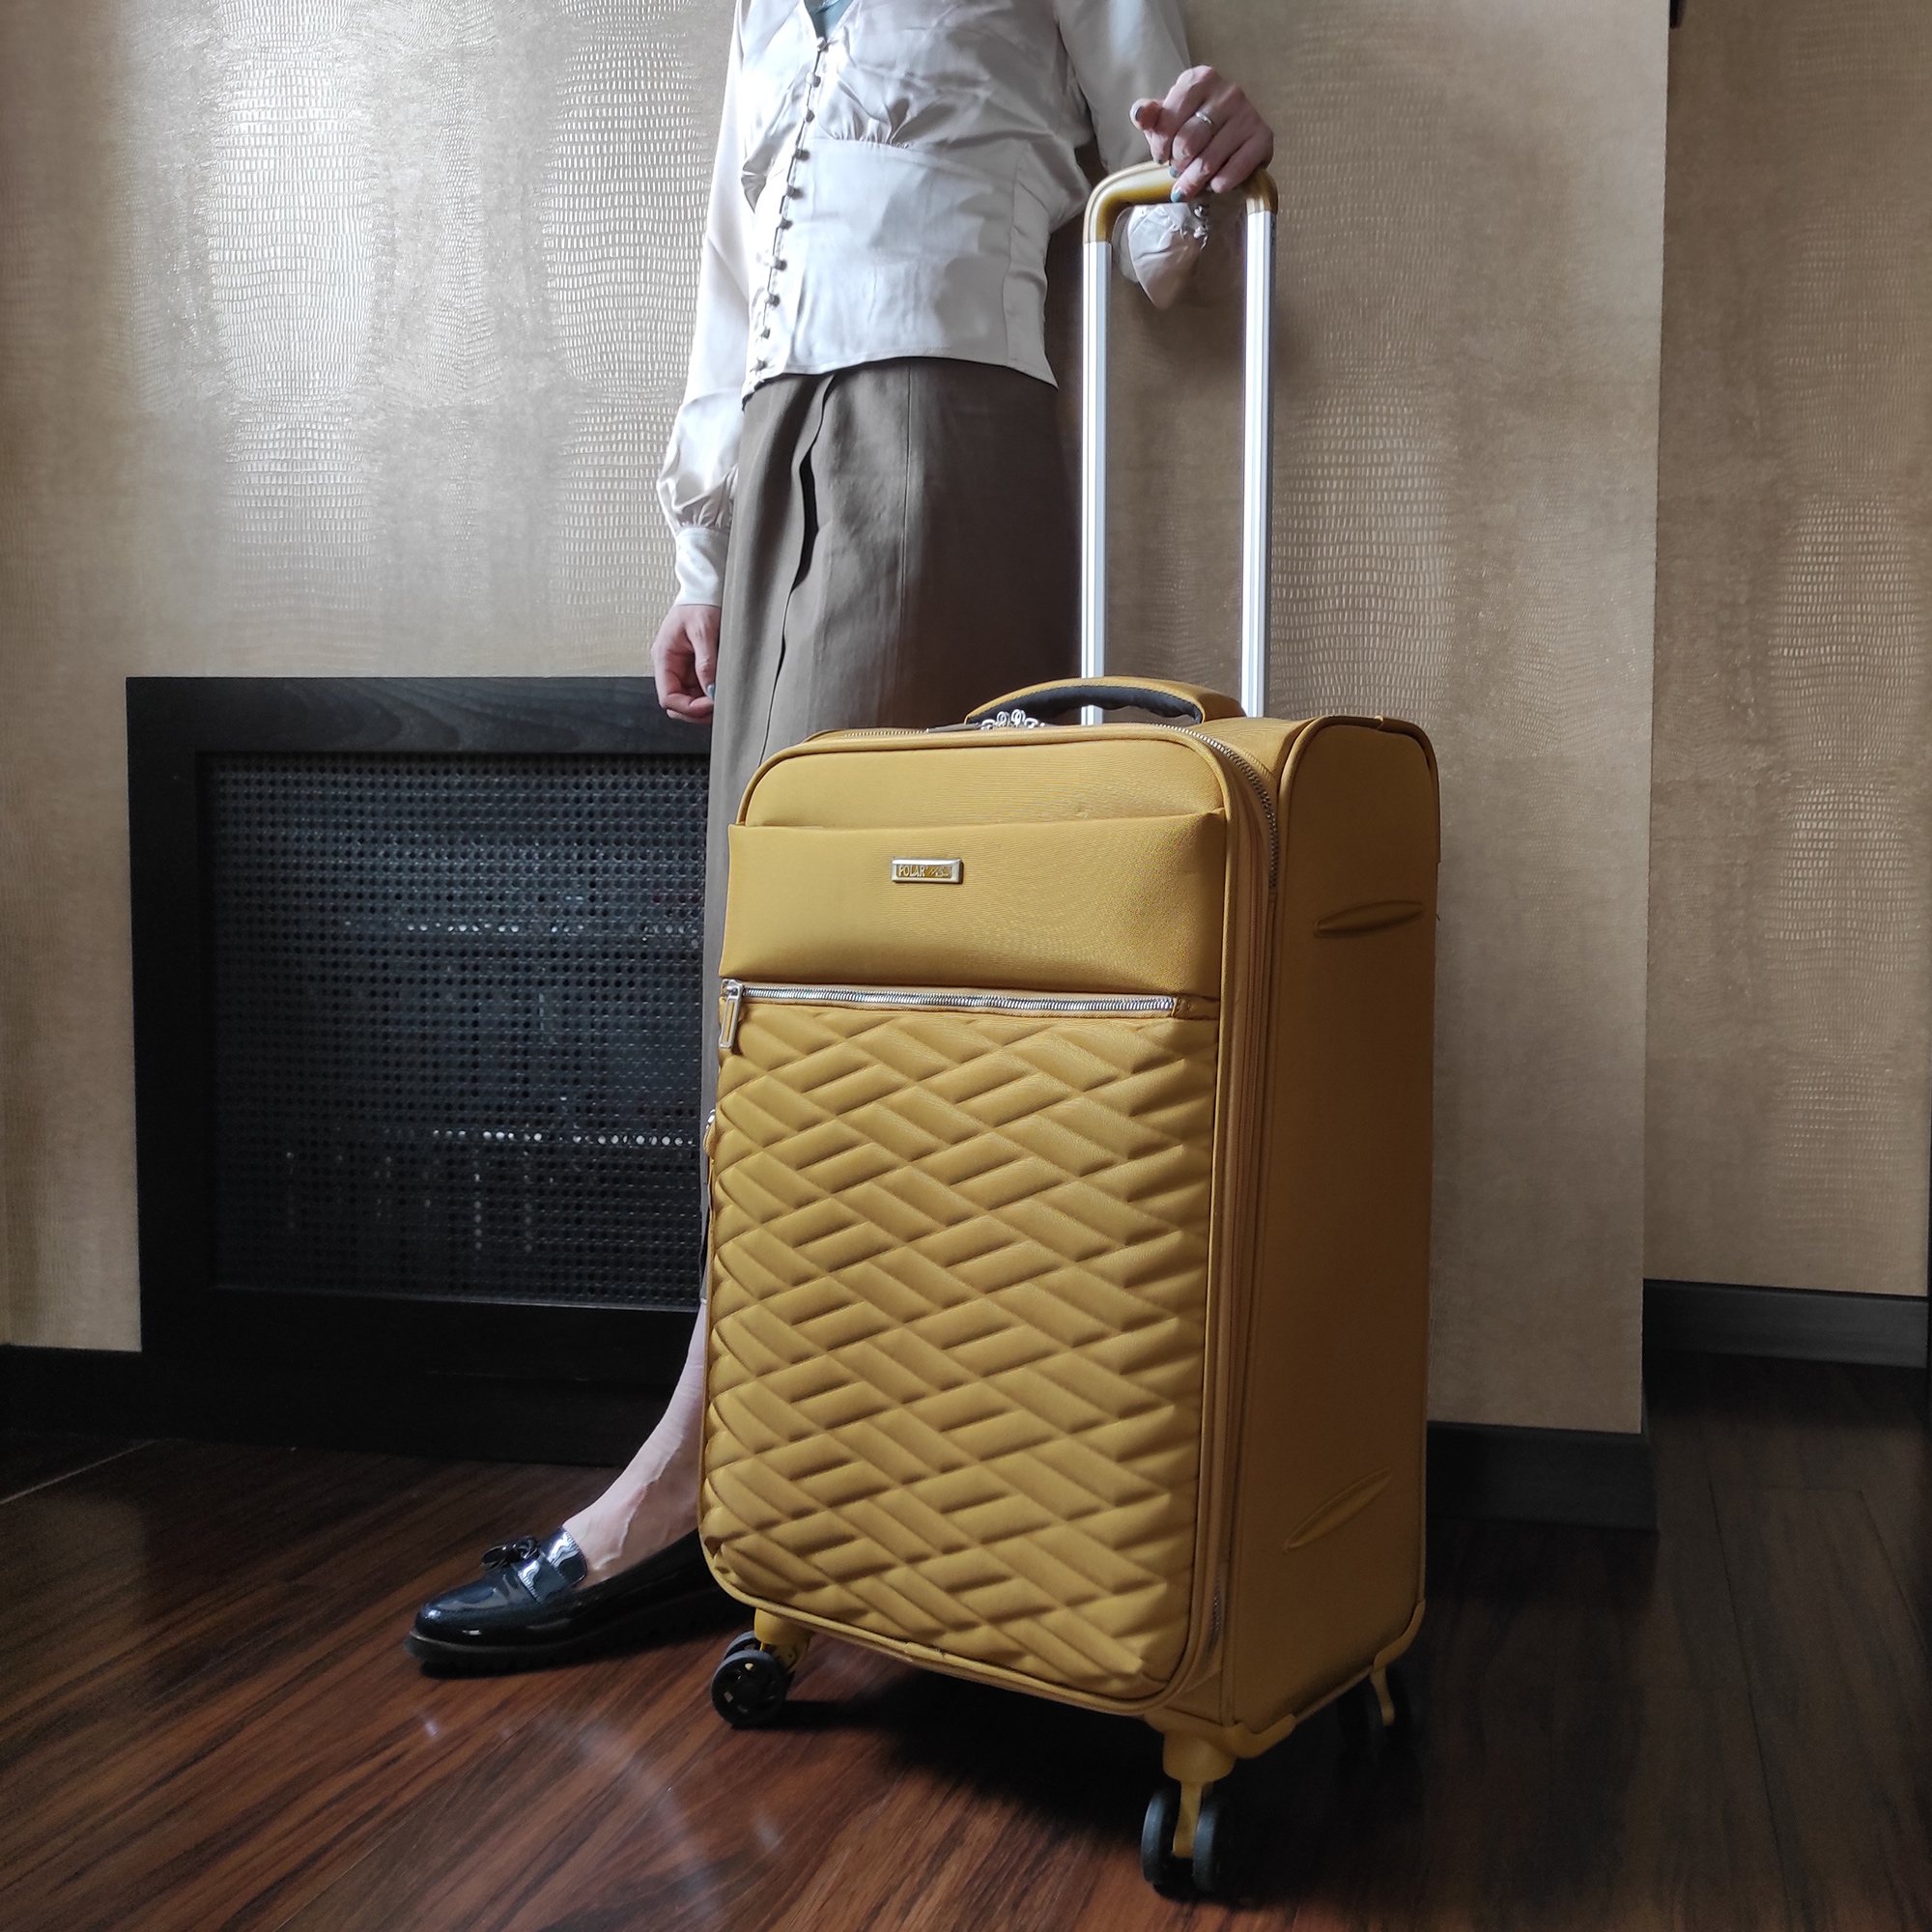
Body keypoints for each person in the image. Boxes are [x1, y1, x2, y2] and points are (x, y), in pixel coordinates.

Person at [406, 0, 1273, 1672]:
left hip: (946, 427)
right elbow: (732, 268)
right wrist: (698, 556)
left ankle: (710, 1477)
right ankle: (773, 1471)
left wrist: (1211, 161)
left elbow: (1165, 230)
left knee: (854, 973)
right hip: (779, 449)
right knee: (758, 955)